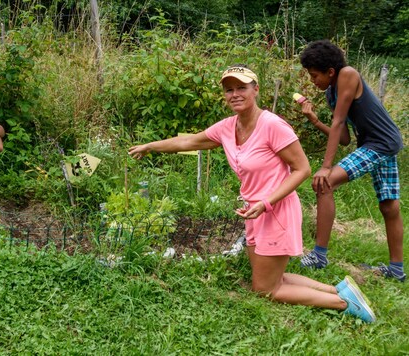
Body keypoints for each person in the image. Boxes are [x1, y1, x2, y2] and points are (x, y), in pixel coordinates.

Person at [129, 65, 376, 322]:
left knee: (265, 289)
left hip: (276, 210)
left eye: (241, 88)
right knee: (271, 278)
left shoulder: (272, 126)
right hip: (254, 212)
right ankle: (338, 290)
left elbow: (301, 170)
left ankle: (343, 303)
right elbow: (188, 141)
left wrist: (267, 202)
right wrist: (150, 146)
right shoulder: (227, 128)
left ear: (255, 90)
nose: (235, 94)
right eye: (229, 89)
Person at [297, 40, 405, 282]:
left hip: (381, 143)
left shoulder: (348, 74)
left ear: (330, 72)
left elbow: (338, 123)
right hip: (381, 144)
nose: (313, 81)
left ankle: (318, 256)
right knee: (389, 206)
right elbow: (344, 137)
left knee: (324, 183)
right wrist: (314, 120)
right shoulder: (331, 93)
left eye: (315, 76)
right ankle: (397, 271)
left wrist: (326, 167)